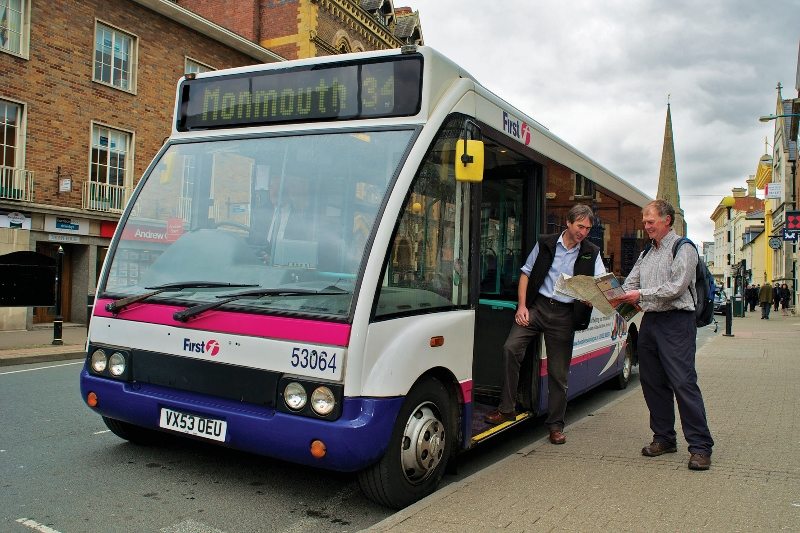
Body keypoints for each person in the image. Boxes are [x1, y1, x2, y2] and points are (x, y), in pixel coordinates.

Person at [484, 204, 604, 446]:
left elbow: (600, 283)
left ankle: (556, 425)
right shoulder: (546, 242)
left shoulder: (591, 251)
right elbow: (526, 273)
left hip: (564, 315)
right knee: (511, 348)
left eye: (587, 229)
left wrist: (592, 297)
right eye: (580, 226)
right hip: (537, 307)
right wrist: (522, 307)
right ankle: (506, 408)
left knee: (558, 374)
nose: (583, 232)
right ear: (568, 223)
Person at [611, 199, 714, 471]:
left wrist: (640, 294)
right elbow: (630, 283)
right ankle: (664, 438)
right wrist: (607, 295)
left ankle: (701, 447)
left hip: (678, 322)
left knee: (683, 382)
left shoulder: (684, 248)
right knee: (652, 382)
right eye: (645, 222)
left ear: (667, 220)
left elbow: (676, 287)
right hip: (651, 322)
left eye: (650, 222)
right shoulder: (647, 253)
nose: (646, 227)